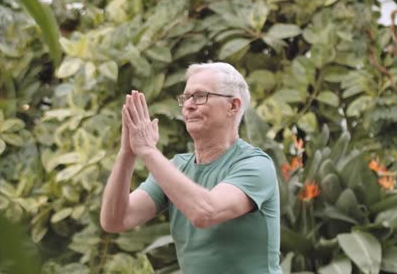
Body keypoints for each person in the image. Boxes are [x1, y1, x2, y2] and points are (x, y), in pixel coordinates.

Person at [100, 62, 281, 273]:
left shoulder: (256, 165)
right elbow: (116, 220)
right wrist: (127, 153)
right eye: (186, 98)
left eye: (200, 96)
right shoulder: (176, 167)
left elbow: (206, 213)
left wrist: (148, 151)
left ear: (233, 106)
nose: (188, 105)